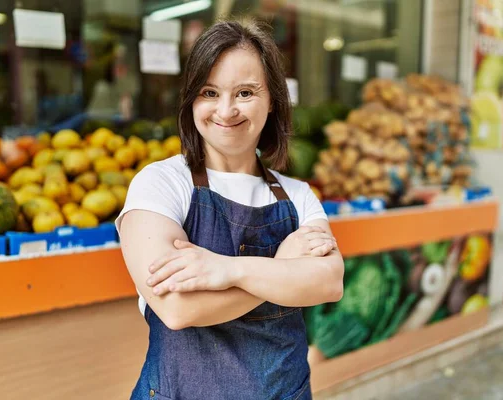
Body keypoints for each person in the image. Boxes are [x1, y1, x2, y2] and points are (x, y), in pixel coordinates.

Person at [117, 19, 344, 400]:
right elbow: (176, 308)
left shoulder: (297, 194)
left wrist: (227, 269)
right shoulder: (161, 184)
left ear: (272, 100)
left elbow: (328, 282)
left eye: (244, 92)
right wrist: (282, 268)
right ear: (191, 100)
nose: (226, 110)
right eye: (209, 92)